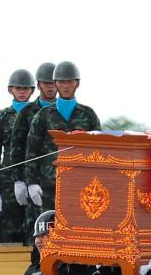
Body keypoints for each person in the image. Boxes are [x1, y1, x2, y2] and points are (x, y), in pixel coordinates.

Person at [24, 61, 101, 212]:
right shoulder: (43, 116)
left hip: (82, 185)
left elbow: (98, 150)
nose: (65, 86)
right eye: (61, 82)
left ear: (77, 84)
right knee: (49, 231)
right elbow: (32, 151)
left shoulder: (88, 115)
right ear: (55, 84)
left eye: (69, 81)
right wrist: (31, 182)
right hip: (49, 185)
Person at [8, 62, 57, 243]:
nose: (51, 87)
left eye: (53, 83)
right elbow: (18, 149)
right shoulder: (27, 112)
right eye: (46, 83)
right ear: (38, 86)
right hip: (36, 180)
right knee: (37, 229)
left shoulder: (70, 113)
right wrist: (21, 180)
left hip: (63, 179)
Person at [0, 69, 35, 243]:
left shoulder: (41, 114)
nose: (22, 92)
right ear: (11, 90)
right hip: (8, 182)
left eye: (26, 88)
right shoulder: (1, 117)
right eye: (18, 88)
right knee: (12, 232)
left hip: (35, 177)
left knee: (37, 231)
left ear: (32, 90)